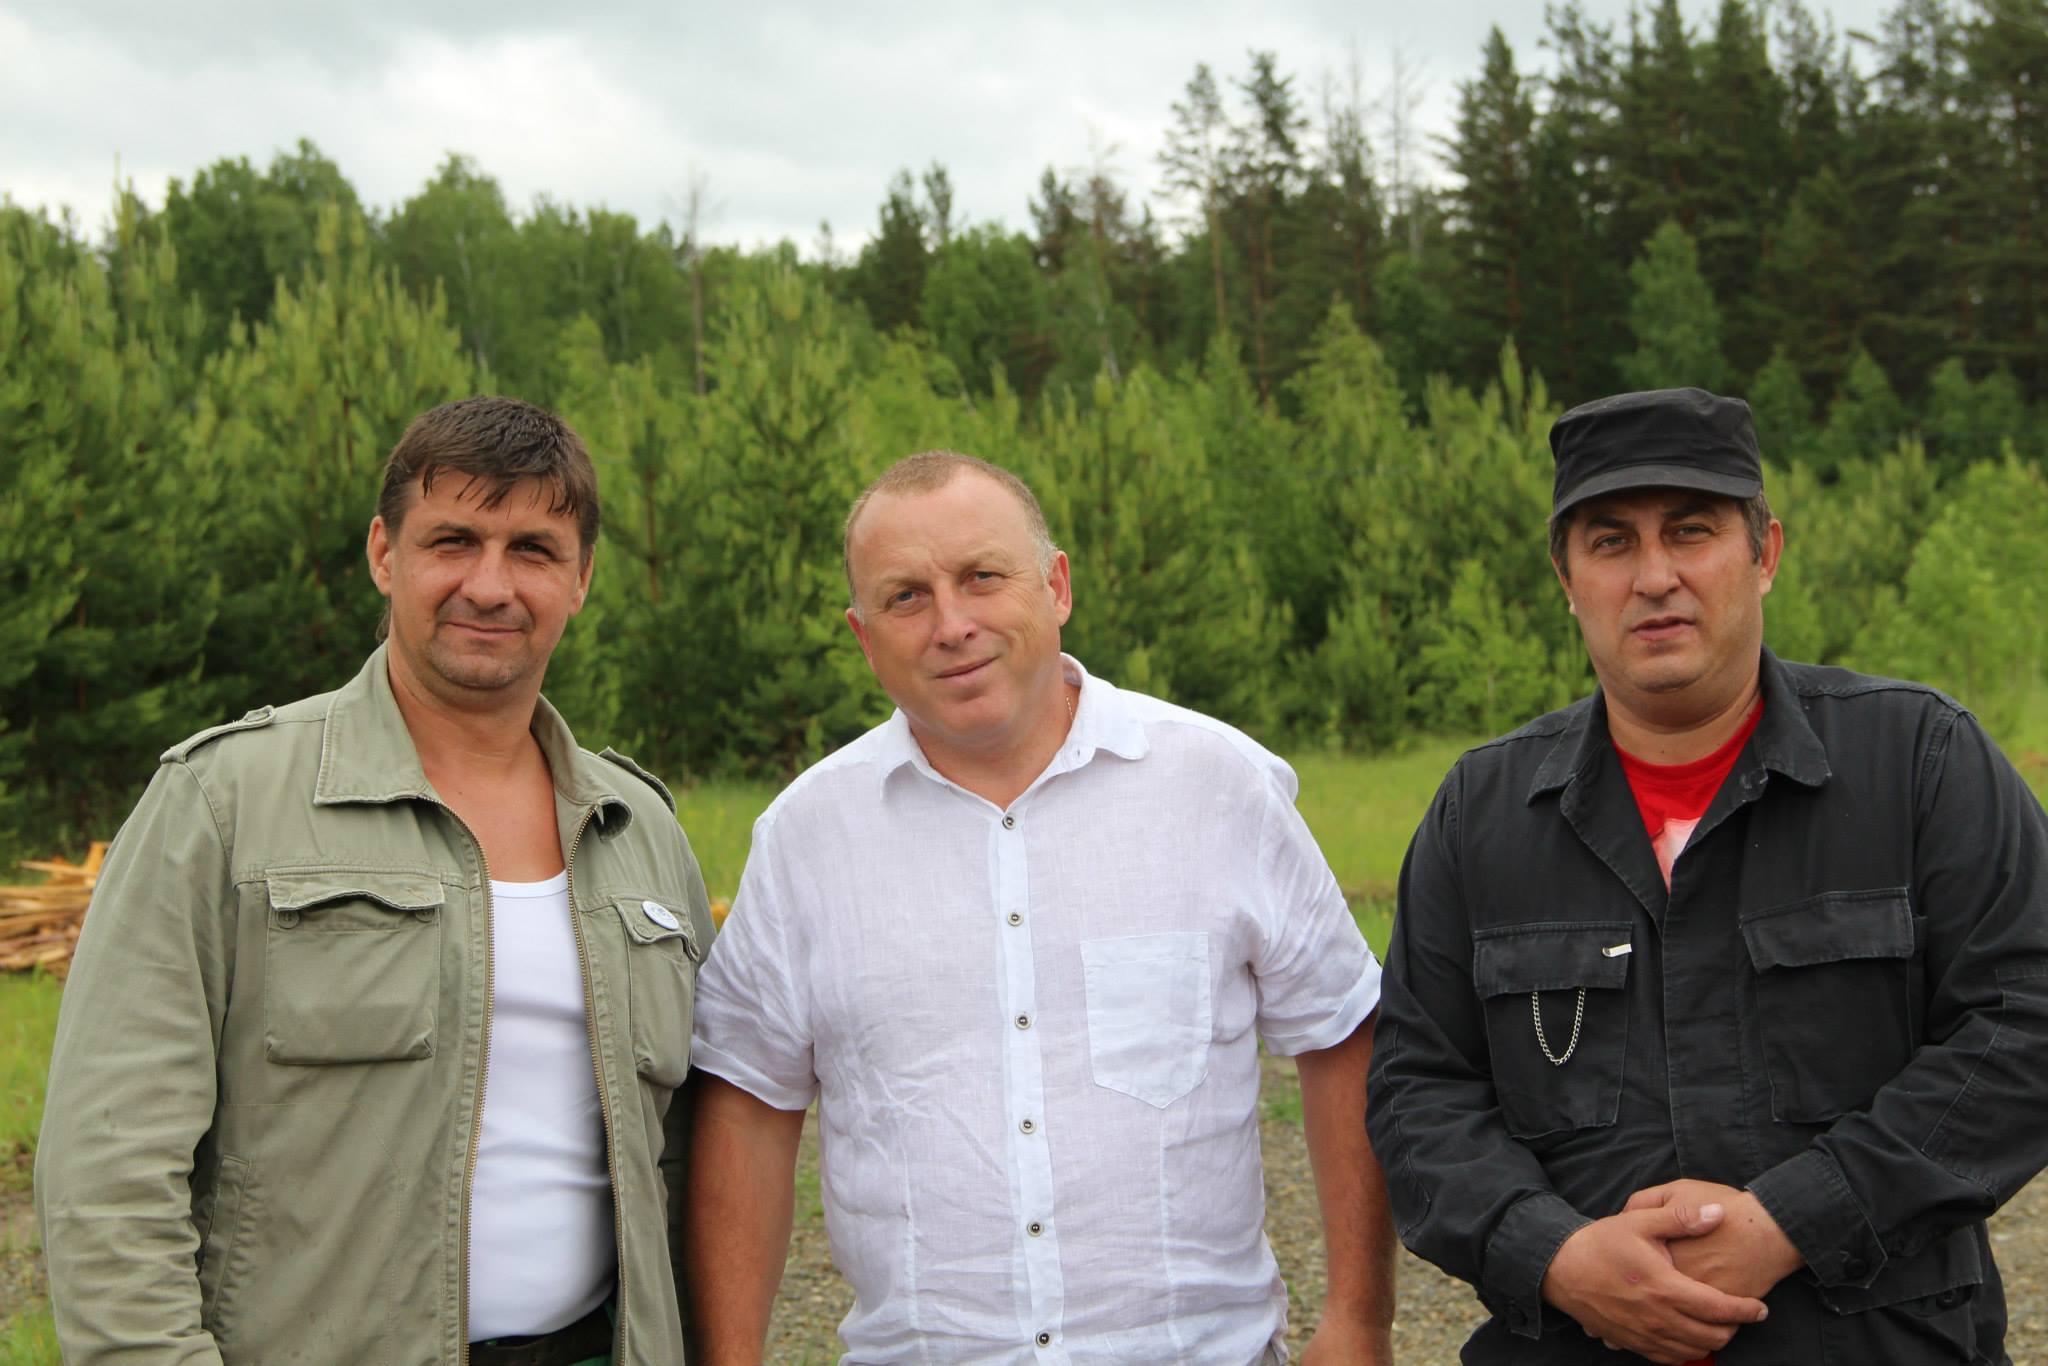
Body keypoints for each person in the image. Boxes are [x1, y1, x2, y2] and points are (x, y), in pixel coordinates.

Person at [1367, 386, 2048, 1364]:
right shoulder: (1482, 814)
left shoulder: (1919, 764)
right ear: (1566, 579)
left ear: (1764, 553)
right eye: (1610, 542)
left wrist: (1794, 1217)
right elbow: (1417, 1089)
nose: (1654, 577)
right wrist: (1553, 1254)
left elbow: (2025, 1024)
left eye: (1690, 531)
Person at [36, 396, 715, 1366]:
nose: (490, 585)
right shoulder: (225, 804)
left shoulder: (641, 832)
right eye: (453, 541)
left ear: (581, 578)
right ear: (384, 554)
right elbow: (109, 1165)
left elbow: (685, 1161)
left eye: (532, 549)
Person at [682, 451, 1393, 1364]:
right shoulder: (805, 838)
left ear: (1056, 586)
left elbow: (1341, 1034)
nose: (952, 625)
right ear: (864, 636)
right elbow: (747, 1104)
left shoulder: (1218, 785)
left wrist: (1359, 1319)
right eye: (906, 597)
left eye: (983, 577)